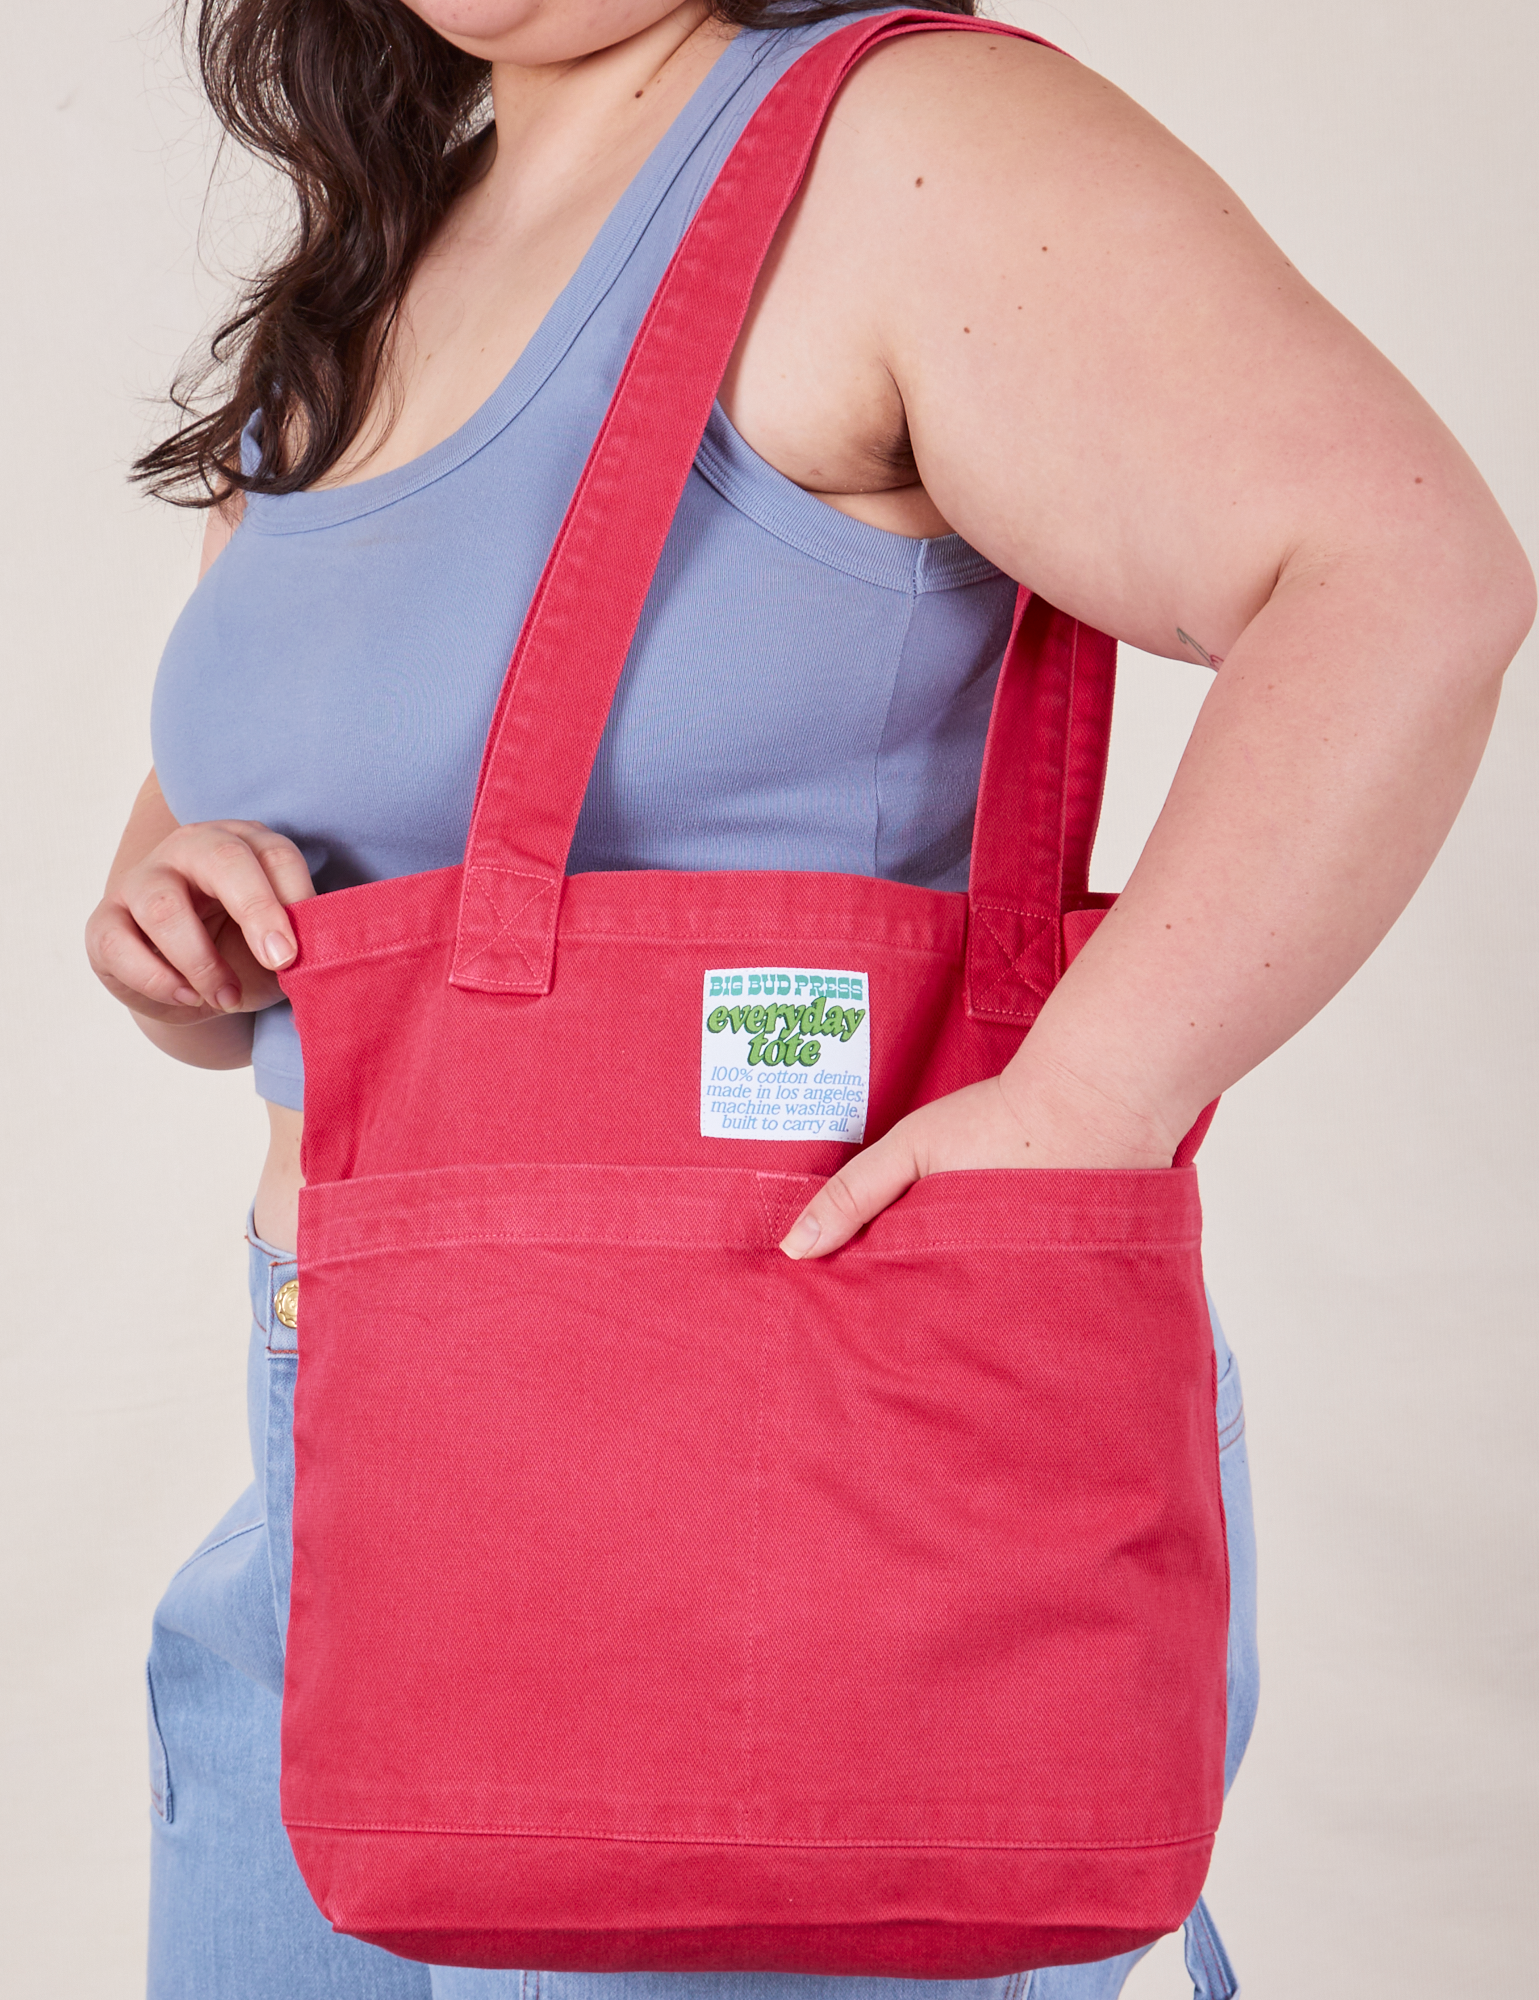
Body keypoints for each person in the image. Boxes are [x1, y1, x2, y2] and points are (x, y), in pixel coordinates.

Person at [86, 2, 1531, 1996]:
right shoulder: (383, 243)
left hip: (770, 1454)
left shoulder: (902, 144)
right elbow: (285, 804)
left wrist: (1089, 1102)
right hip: (337, 1458)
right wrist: (177, 924)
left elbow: (1404, 573)